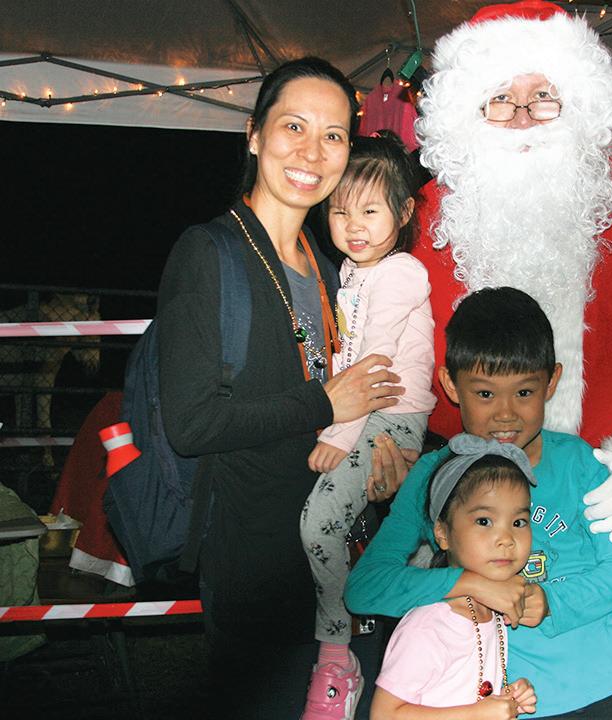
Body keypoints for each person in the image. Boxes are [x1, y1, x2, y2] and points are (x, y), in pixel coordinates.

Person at [362, 0, 612, 642]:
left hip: (606, 496)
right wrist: (391, 440)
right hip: (477, 502)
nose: (523, 117)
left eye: (544, 97)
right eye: (499, 100)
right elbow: (405, 346)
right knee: (478, 669)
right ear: (466, 114)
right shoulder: (428, 214)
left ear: (582, 101)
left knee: (594, 663)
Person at [156, 57, 405, 719]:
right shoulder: (209, 254)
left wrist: (380, 456)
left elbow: (347, 389)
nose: (312, 151)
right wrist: (325, 403)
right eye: (294, 126)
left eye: (333, 135)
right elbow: (191, 423)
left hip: (341, 551)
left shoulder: (331, 267)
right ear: (254, 135)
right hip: (257, 567)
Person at [348, 287, 612, 719]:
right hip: (512, 702)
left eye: (524, 393)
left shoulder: (579, 463)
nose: (506, 414)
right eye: (485, 394)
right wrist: (470, 584)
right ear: (450, 384)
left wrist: (551, 602)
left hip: (609, 680)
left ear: (551, 381)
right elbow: (365, 587)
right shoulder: (436, 474)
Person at [299, 132, 436, 719]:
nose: (353, 225)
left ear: (403, 214)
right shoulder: (353, 274)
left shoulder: (400, 271)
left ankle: (336, 649)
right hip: (367, 411)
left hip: (386, 416)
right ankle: (405, 627)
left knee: (318, 524)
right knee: (394, 538)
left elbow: (373, 362)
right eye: (340, 211)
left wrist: (337, 432)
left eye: (370, 211)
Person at [370, 434, 538, 719]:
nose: (506, 538)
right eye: (484, 521)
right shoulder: (429, 626)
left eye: (518, 522)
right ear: (442, 533)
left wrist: (507, 698)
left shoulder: (490, 611)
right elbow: (384, 714)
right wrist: (476, 714)